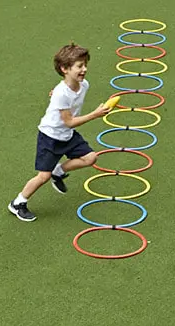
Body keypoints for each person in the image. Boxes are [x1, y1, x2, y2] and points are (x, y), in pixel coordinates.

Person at [9, 42, 117, 222]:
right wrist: (95, 114)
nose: (84, 69)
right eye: (79, 66)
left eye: (85, 65)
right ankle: (18, 202)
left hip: (67, 135)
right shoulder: (61, 93)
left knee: (91, 158)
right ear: (64, 69)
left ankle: (58, 171)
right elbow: (68, 122)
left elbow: (66, 97)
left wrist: (57, 93)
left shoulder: (84, 85)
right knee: (43, 176)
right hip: (51, 137)